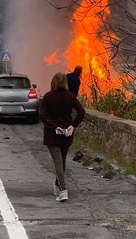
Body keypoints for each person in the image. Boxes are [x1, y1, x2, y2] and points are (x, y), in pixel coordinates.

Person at [40, 72, 85, 202]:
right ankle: (56, 185)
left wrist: (54, 126)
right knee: (62, 161)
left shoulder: (48, 97)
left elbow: (42, 115)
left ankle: (63, 190)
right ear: (65, 82)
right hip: (67, 134)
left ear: (53, 82)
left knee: (58, 162)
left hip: (52, 134)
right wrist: (73, 126)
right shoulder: (70, 97)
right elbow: (81, 112)